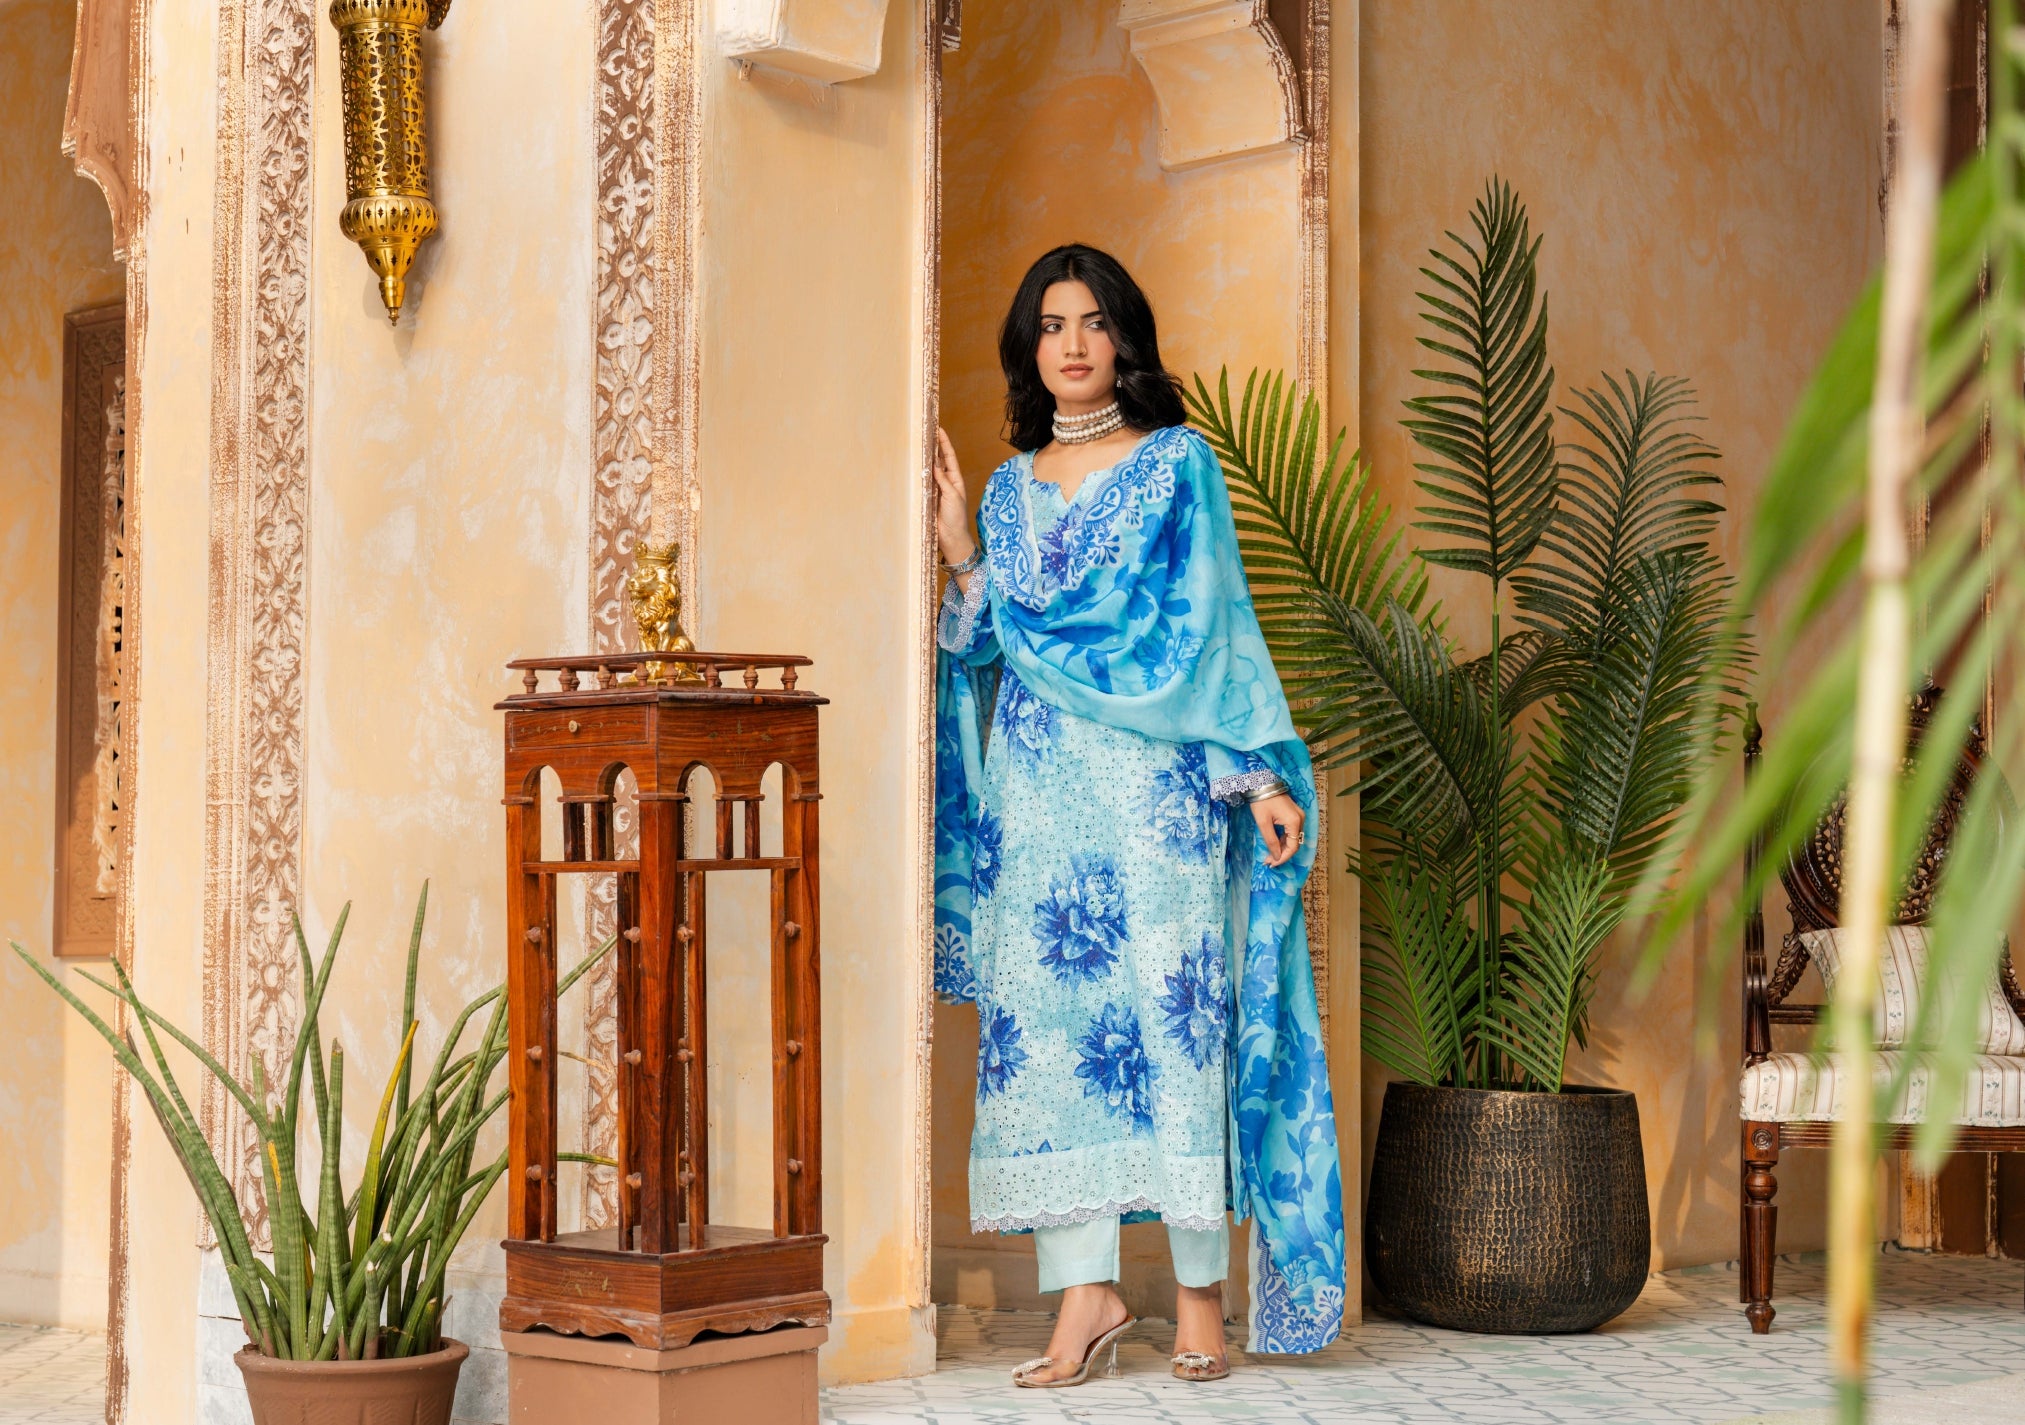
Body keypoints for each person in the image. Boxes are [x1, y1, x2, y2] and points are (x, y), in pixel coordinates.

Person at [932, 243, 1344, 1388]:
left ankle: (1201, 1301)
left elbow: (1213, 631)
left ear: (1125, 339)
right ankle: (1088, 1297)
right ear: (1030, 348)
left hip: (1158, 794)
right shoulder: (1009, 489)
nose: (1072, 343)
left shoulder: (1176, 466)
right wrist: (962, 550)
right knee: (1055, 1041)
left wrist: (1258, 776)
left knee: (1177, 1027)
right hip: (1039, 800)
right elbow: (985, 645)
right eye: (1051, 324)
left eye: (1093, 322)